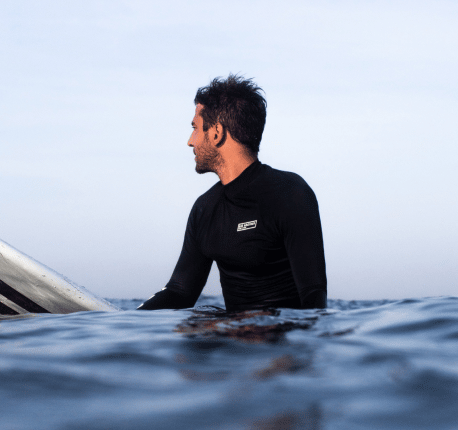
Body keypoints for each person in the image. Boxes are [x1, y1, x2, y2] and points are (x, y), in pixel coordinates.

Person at [138, 75, 327, 311]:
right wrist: (129, 322)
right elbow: (179, 292)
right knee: (202, 320)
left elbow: (314, 297)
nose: (190, 141)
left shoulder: (290, 194)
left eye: (195, 128)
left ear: (217, 132)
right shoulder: (205, 209)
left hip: (282, 331)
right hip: (231, 332)